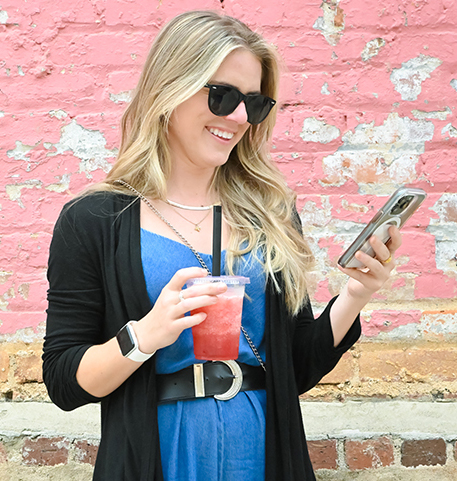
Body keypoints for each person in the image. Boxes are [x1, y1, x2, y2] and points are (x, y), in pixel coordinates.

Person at [43, 10, 402, 481]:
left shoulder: (268, 215)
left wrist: (355, 296)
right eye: (222, 95)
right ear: (169, 89)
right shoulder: (93, 220)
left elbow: (294, 368)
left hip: (262, 454)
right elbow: (65, 381)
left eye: (253, 105)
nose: (237, 118)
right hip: (159, 457)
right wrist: (145, 335)